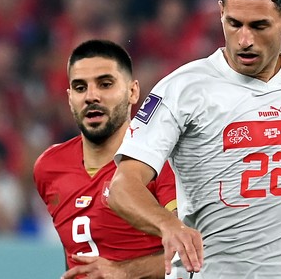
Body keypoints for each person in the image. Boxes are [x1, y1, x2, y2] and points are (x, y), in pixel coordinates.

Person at [108, 0, 281, 278]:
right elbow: (121, 187)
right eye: (234, 23)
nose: (244, 40)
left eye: (259, 26)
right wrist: (168, 225)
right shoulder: (182, 89)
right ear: (220, 14)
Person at [33, 39, 176, 278]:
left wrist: (123, 272)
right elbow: (76, 249)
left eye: (105, 84)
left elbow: (195, 254)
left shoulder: (163, 163)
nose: (91, 96)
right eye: (80, 88)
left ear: (132, 92)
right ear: (69, 98)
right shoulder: (48, 167)